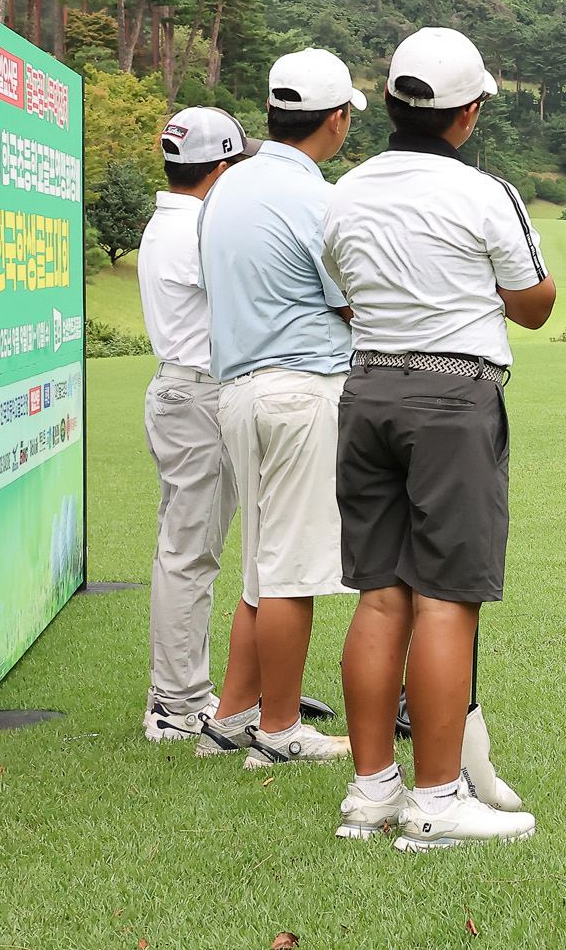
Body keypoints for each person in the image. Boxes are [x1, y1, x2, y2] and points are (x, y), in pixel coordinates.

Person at [321, 26, 553, 849]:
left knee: (381, 593)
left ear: (386, 103)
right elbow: (534, 302)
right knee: (447, 598)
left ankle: (372, 791)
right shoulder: (488, 195)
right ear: (471, 112)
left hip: (368, 388)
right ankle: (436, 799)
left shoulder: (343, 192)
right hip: (452, 397)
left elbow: (342, 296)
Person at [196, 49, 366, 766]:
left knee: (261, 569)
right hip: (300, 391)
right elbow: (350, 297)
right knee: (292, 569)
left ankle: (232, 715)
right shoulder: (316, 197)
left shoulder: (226, 188)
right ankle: (279, 729)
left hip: (236, 391)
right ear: (336, 119)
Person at [137, 108, 257, 742]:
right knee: (190, 552)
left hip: (181, 392)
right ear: (221, 166)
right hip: (199, 397)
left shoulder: (170, 222)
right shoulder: (198, 232)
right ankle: (180, 706)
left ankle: (184, 695)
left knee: (185, 548)